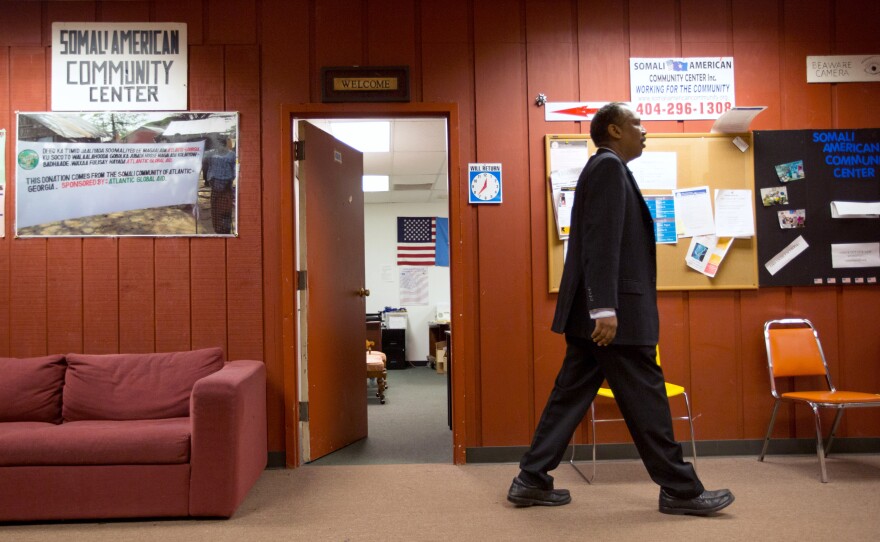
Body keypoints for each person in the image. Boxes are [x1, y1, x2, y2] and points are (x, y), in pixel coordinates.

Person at [507, 103, 734, 516]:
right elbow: (600, 241)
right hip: (614, 317)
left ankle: (531, 479)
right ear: (614, 129)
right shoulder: (609, 168)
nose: (644, 131)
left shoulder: (606, 168)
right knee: (647, 398)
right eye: (637, 124)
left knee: (570, 396)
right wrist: (604, 310)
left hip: (598, 312)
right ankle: (681, 490)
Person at [202, 134, 237, 234]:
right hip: (220, 188)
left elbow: (235, 170)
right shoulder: (211, 154)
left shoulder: (231, 155)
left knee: (223, 211)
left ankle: (224, 232)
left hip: (225, 188)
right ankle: (220, 231)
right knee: (218, 211)